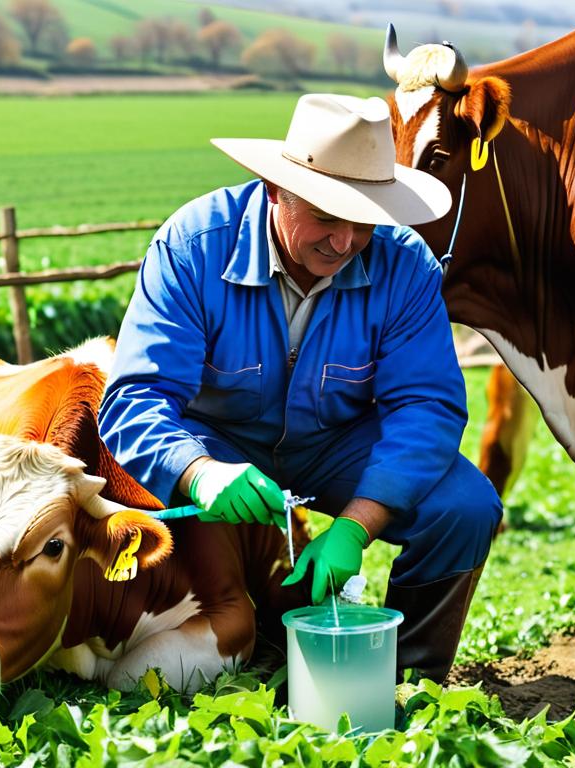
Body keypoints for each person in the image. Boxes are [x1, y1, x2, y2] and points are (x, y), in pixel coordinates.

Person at [98, 93, 503, 680]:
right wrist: (198, 470)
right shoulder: (192, 247)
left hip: (338, 445)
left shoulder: (406, 265)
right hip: (220, 447)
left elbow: (426, 406)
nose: (344, 242)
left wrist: (356, 526)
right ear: (275, 191)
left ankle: (412, 677)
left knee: (464, 507)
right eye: (326, 218)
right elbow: (136, 397)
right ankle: (205, 643)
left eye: (363, 223)